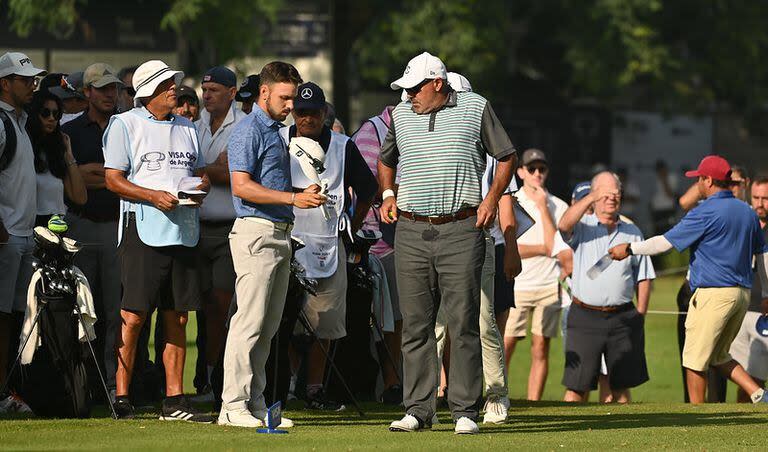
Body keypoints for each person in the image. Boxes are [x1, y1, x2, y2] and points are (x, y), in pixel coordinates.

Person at [379, 52, 516, 434]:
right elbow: (386, 159)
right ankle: (418, 409)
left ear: (437, 83)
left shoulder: (475, 107)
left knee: (463, 323)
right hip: (410, 230)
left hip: (461, 228)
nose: (409, 96)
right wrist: (388, 193)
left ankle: (465, 412)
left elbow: (506, 156)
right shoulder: (401, 115)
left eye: (414, 88)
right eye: (405, 90)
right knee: (416, 325)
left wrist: (490, 200)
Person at [609, 155, 768, 405]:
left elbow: (665, 242)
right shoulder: (746, 211)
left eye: (699, 180)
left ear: (708, 180)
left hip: (713, 295)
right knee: (719, 355)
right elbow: (763, 254)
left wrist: (628, 248)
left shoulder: (705, 211)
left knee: (694, 360)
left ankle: (696, 415)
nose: (697, 185)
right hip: (742, 295)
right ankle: (760, 394)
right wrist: (767, 294)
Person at [103, 59, 212, 422]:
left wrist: (202, 187)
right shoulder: (125, 124)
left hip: (184, 229)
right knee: (133, 316)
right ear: (147, 90)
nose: (175, 90)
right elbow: (113, 180)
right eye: (167, 84)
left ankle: (174, 400)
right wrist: (152, 196)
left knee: (177, 317)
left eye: (175, 83)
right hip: (143, 229)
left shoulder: (188, 127)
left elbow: (194, 173)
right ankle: (121, 396)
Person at [218, 61, 325, 428]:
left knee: (267, 326)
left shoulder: (275, 130)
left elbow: (268, 187)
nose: (292, 105)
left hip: (277, 232)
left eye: (293, 97)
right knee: (248, 323)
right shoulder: (248, 129)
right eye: (286, 97)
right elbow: (241, 186)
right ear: (264, 92)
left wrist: (298, 194)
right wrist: (293, 199)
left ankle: (255, 403)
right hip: (256, 233)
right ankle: (232, 406)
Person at [281, 81, 377, 410]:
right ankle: (289, 385)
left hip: (328, 244)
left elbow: (368, 188)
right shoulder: (281, 141)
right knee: (289, 322)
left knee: (326, 323)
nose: (306, 118)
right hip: (287, 241)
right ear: (293, 112)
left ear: (324, 113)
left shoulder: (342, 145)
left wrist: (354, 223)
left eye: (313, 112)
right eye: (301, 112)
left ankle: (314, 387)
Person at [558, 171, 655, 403]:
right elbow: (563, 225)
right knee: (577, 388)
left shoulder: (633, 232)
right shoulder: (582, 227)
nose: (611, 198)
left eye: (616, 193)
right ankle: (568, 436)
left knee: (620, 387)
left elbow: (644, 276)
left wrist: (640, 313)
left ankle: (624, 436)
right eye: (605, 193)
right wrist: (592, 197)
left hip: (623, 318)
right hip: (584, 317)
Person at [61, 62, 125, 401]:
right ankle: (83, 383)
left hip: (116, 227)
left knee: (115, 310)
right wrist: (107, 176)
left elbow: (125, 179)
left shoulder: (125, 127)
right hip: (80, 226)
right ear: (86, 92)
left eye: (113, 88)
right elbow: (71, 179)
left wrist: (96, 174)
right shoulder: (70, 130)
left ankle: (113, 385)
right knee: (82, 309)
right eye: (102, 89)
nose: (110, 94)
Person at [675, 164, 749, 403]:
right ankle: (757, 394)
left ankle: (705, 409)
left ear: (745, 184)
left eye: (737, 183)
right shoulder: (707, 206)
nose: (733, 187)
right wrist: (709, 180)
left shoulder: (744, 211)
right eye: (730, 182)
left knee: (701, 356)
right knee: (701, 354)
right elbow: (684, 202)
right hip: (695, 290)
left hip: (719, 290)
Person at [193, 66, 245, 400]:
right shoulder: (194, 126)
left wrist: (205, 169)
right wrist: (215, 168)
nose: (206, 95)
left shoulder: (242, 126)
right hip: (197, 227)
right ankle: (207, 380)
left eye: (213, 89)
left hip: (229, 228)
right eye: (204, 89)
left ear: (231, 92)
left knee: (223, 306)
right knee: (201, 307)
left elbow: (234, 174)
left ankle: (224, 381)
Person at [0, 51, 46, 414]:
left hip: (21, 236)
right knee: (2, 318)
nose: (32, 85)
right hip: (7, 236)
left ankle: (7, 390)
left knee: (14, 317)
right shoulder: (1, 122)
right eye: (23, 79)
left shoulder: (19, 121)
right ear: (4, 83)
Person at [503, 148, 567, 401]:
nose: (537, 174)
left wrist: (543, 208)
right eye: (532, 169)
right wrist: (541, 249)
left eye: (542, 169)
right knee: (506, 344)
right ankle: (497, 395)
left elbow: (556, 246)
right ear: (520, 173)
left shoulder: (557, 205)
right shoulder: (512, 202)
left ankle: (533, 401)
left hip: (549, 285)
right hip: (518, 283)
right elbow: (513, 247)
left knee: (541, 347)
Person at [351, 105, 404, 404]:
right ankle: (373, 382)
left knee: (396, 318)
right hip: (368, 237)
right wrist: (397, 190)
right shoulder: (371, 133)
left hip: (401, 239)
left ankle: (393, 384)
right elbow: (365, 187)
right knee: (365, 319)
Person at [730, 175, 768, 402]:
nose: (760, 203)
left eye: (766, 198)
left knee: (759, 374)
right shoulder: (743, 224)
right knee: (748, 378)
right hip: (742, 307)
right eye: (756, 197)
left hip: (764, 308)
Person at [26, 91, 87, 226]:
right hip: (27, 225)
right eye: (45, 113)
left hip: (55, 227)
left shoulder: (55, 153)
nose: (52, 118)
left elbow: (80, 198)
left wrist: (69, 156)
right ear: (34, 114)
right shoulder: (24, 150)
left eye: (56, 114)